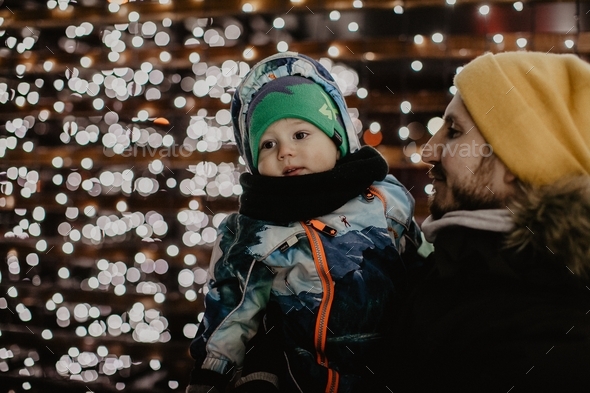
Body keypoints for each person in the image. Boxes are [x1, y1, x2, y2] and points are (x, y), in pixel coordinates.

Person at [186, 52, 429, 393]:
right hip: (300, 376)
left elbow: (421, 265)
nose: (285, 151)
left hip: (389, 367)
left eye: (300, 135)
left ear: (336, 135)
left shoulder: (383, 199)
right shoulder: (253, 228)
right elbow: (233, 308)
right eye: (268, 144)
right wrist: (214, 372)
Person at [395, 51, 590, 392]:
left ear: (521, 161)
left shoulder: (551, 336)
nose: (428, 151)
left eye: (453, 132)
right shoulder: (459, 266)